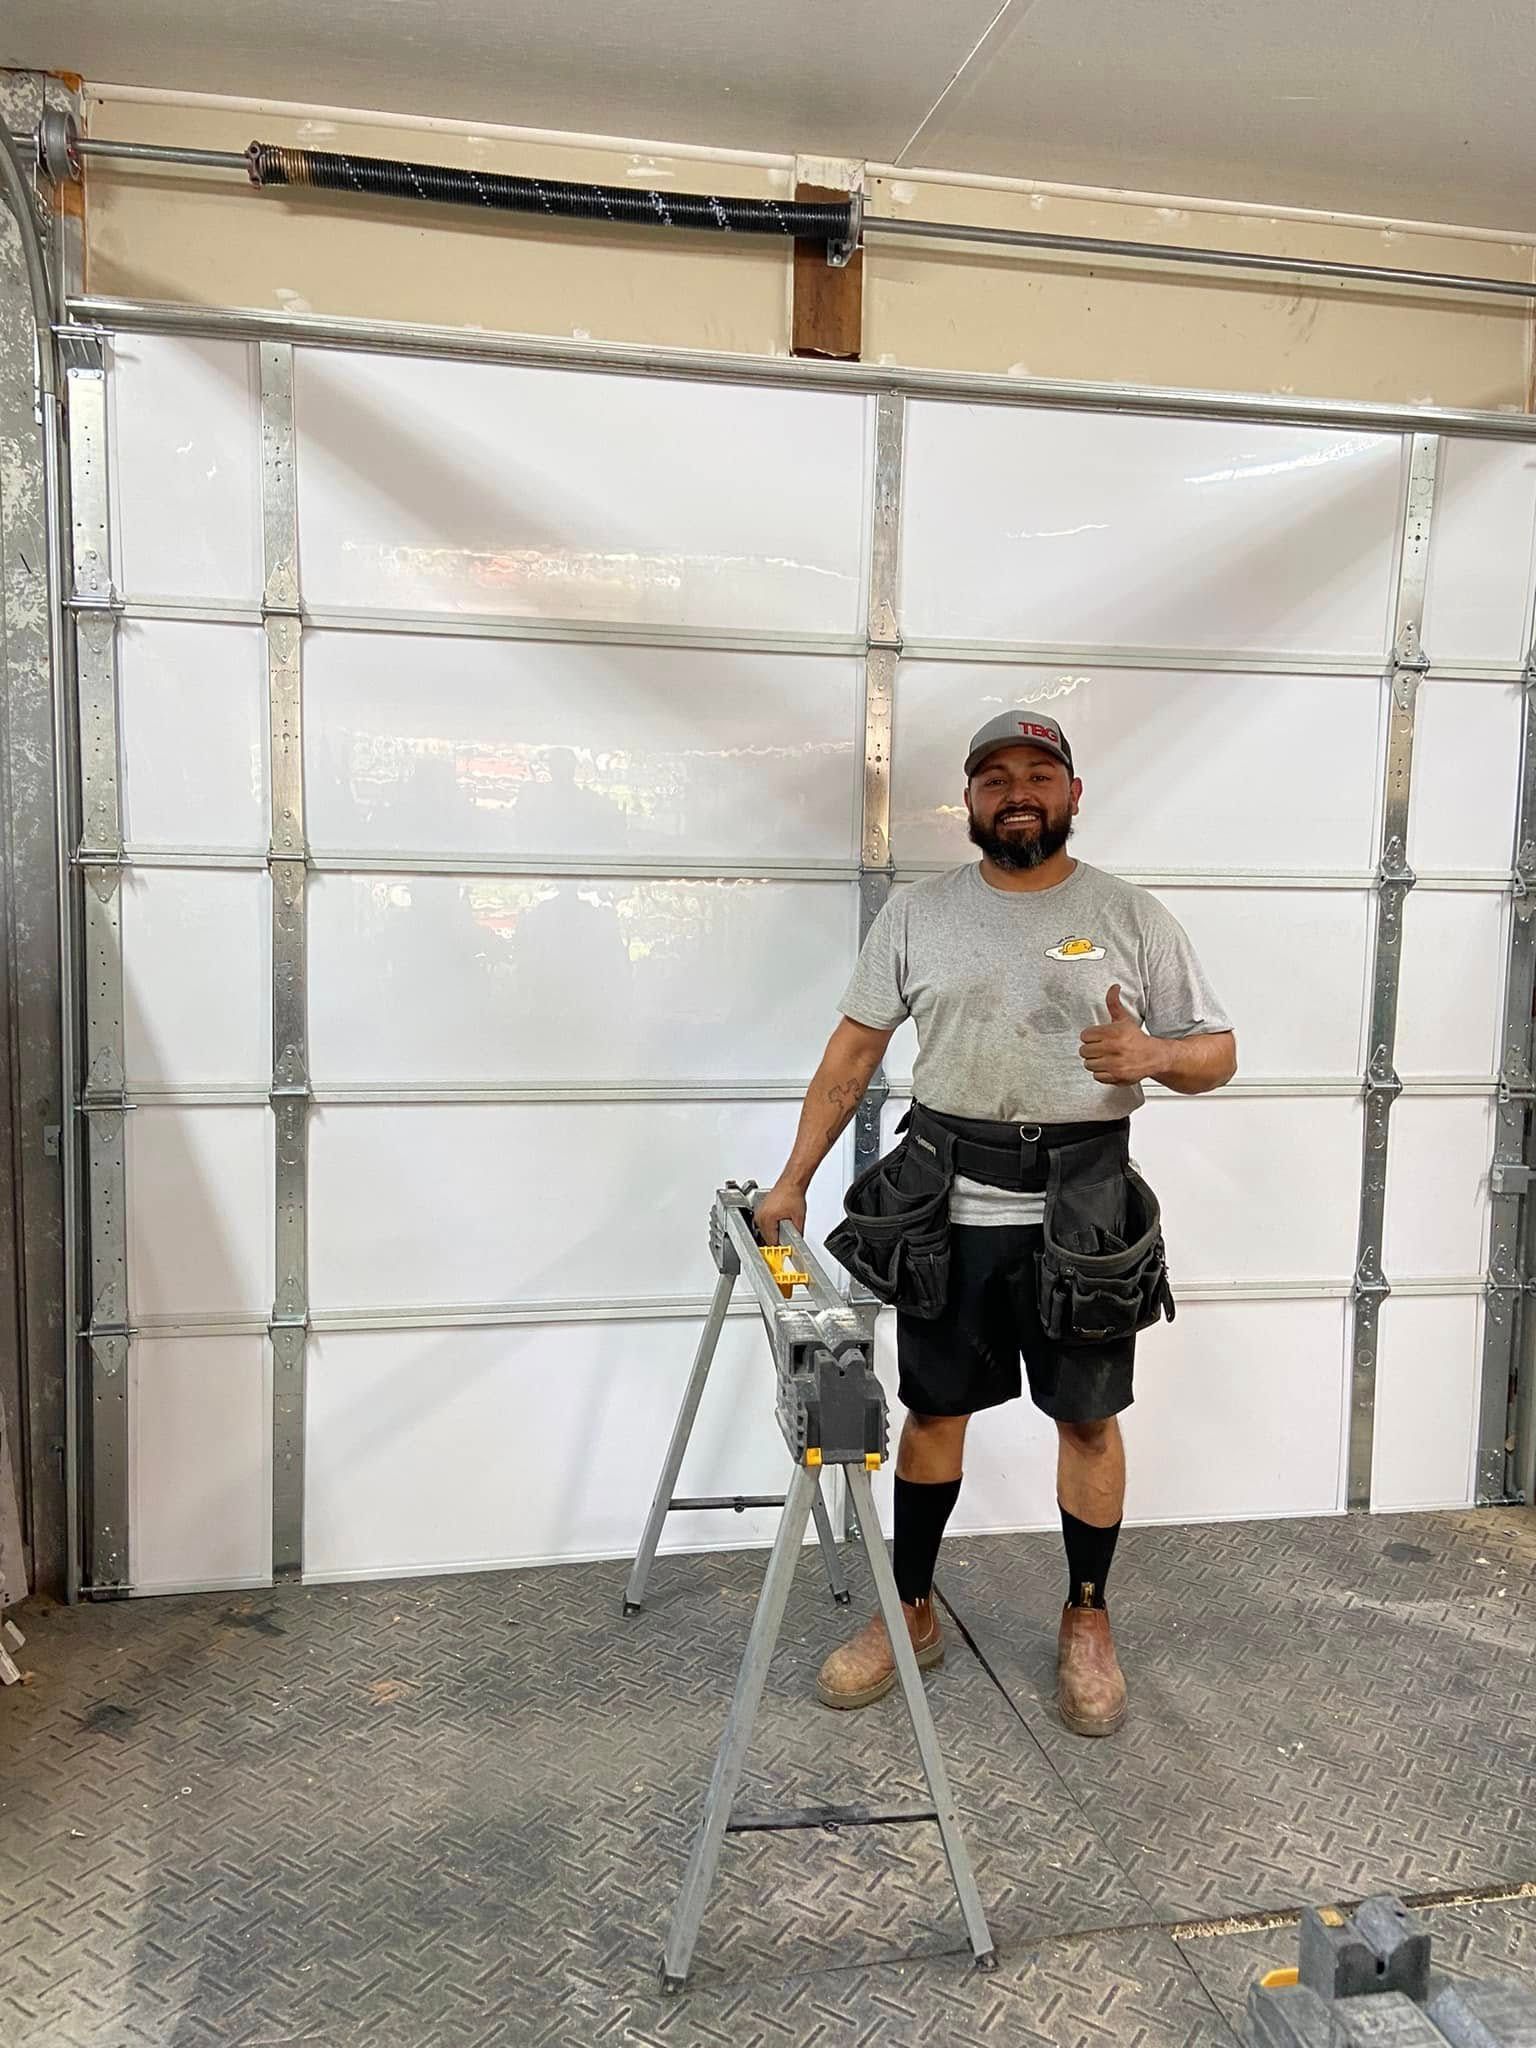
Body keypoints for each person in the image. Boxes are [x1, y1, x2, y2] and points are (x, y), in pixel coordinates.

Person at [754, 710, 1236, 1736]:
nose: (1017, 791)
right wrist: (794, 1177)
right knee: (933, 1414)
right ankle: (912, 1608)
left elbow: (1217, 1052)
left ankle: (1088, 1616)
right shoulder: (919, 916)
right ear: (968, 801)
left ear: (1073, 793)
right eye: (995, 777)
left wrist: (1152, 1056)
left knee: (1089, 1420)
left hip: (1086, 1215)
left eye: (1040, 773)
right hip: (949, 1210)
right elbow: (850, 1058)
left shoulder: (1133, 915)